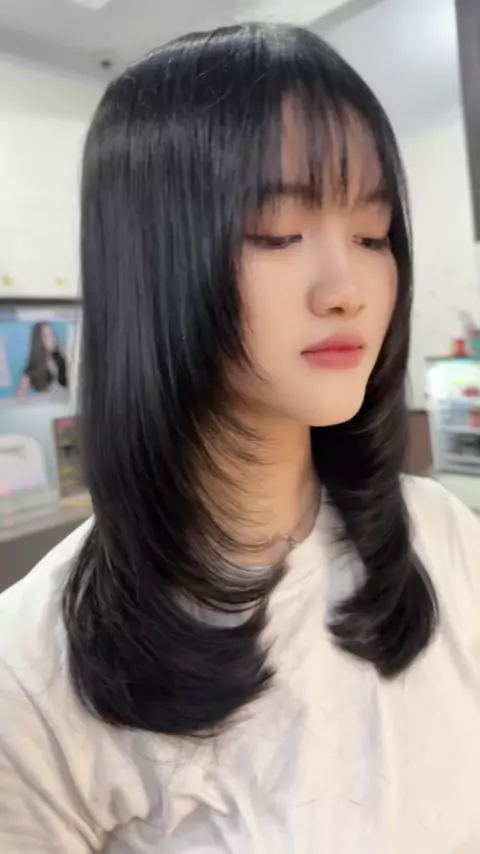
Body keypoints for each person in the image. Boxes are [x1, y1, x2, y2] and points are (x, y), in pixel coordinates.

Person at [0, 23, 479, 854]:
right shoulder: (33, 670)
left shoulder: (441, 533)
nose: (347, 288)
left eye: (372, 236)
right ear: (152, 262)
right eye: (278, 232)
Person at [16, 321, 68, 397]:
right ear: (39, 340)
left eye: (53, 335)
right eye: (47, 336)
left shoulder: (61, 359)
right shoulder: (30, 372)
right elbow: (19, 398)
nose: (53, 339)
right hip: (49, 403)